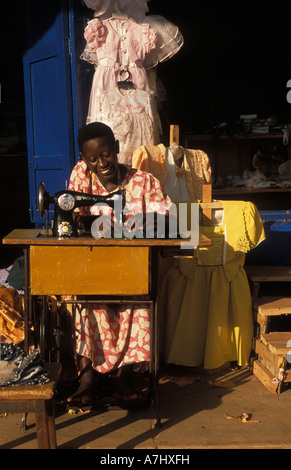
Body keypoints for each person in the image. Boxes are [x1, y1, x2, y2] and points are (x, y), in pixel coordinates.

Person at [67, 121, 173, 409]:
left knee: (138, 300)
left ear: (116, 149)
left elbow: (167, 220)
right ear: (83, 159)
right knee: (82, 300)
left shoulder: (144, 182)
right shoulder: (81, 177)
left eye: (106, 154)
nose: (101, 163)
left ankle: (124, 377)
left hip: (132, 269)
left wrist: (142, 226)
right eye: (92, 159)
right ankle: (87, 378)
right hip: (92, 268)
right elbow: (74, 214)